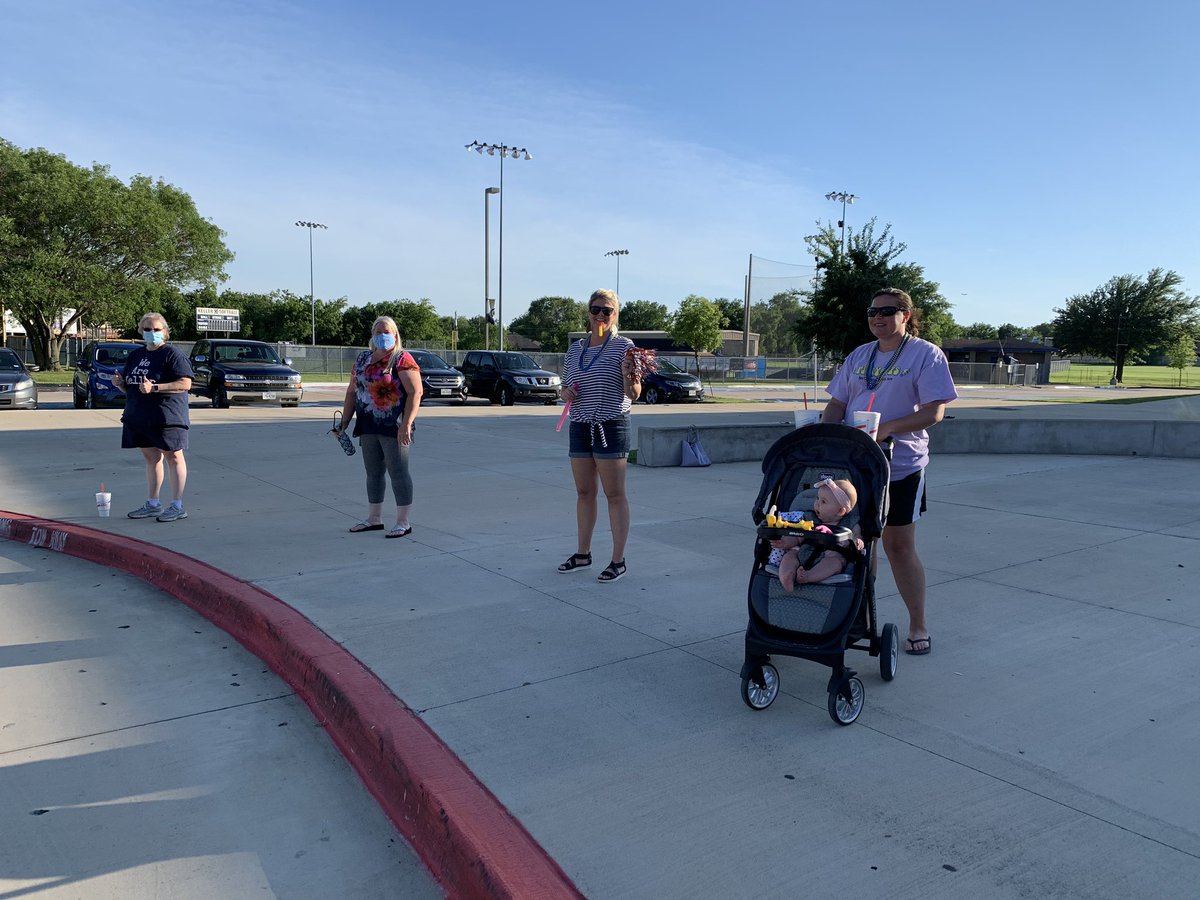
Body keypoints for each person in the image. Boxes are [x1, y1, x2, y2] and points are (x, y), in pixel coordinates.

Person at [822, 287, 958, 655]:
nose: (877, 316)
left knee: (899, 546)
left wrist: (886, 429)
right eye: (872, 310)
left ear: (906, 315)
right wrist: (826, 433)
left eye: (887, 310)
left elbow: (934, 412)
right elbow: (837, 403)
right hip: (855, 466)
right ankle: (859, 617)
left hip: (900, 466)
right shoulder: (859, 355)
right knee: (860, 544)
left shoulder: (925, 354)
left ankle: (918, 624)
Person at [558, 289, 641, 583]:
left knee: (614, 494)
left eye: (607, 310)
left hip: (611, 424)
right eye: (596, 309)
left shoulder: (624, 347)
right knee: (584, 493)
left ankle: (618, 560)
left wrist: (630, 376)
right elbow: (567, 386)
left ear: (615, 314)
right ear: (588, 312)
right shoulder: (576, 349)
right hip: (580, 424)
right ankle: (583, 554)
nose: (601, 316)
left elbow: (634, 393)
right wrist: (564, 392)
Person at [333, 316, 423, 539]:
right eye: (377, 331)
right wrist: (344, 422)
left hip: (394, 426)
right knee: (373, 473)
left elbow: (416, 392)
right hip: (368, 425)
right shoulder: (363, 358)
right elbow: (352, 392)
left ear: (395, 334)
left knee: (398, 472)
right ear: (372, 335)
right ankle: (374, 518)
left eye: (386, 331)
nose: (382, 335)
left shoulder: (402, 359)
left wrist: (407, 424)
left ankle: (403, 521)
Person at [112, 312, 194, 522]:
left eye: (156, 329)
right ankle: (153, 503)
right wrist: (120, 384)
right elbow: (133, 388)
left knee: (173, 457)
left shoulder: (172, 354)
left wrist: (155, 387)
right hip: (140, 417)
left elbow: (185, 383)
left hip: (167, 416)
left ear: (165, 332)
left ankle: (177, 505)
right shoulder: (136, 356)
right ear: (141, 332)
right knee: (151, 459)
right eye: (147, 329)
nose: (151, 333)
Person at [768, 478, 862, 591]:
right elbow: (797, 537)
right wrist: (785, 542)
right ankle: (786, 577)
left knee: (835, 563)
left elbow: (857, 536)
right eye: (817, 498)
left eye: (823, 501)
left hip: (832, 554)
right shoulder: (809, 519)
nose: (817, 503)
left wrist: (857, 541)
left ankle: (807, 576)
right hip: (804, 551)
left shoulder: (850, 524)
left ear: (840, 511)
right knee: (789, 556)